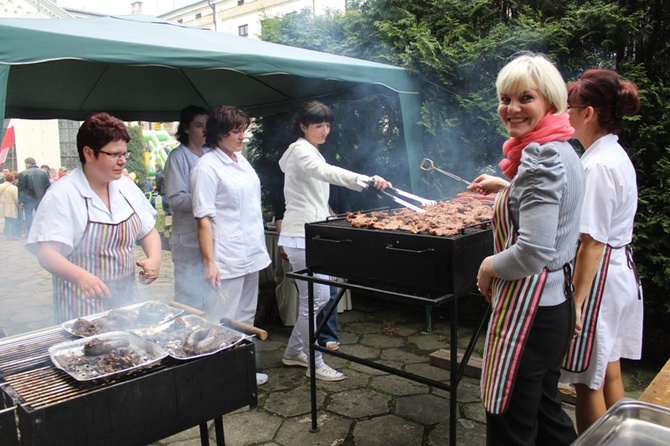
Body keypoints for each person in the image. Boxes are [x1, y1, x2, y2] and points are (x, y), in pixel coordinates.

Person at [467, 53, 583, 445]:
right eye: (505, 98)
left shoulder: (540, 155)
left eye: (525, 98)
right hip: (556, 307)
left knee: (512, 427)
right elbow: (555, 210)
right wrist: (507, 188)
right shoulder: (564, 148)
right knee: (547, 414)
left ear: (549, 101)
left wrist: (488, 265)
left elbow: (533, 252)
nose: (511, 108)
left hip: (531, 314)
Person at [278, 100, 391, 382]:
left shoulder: (311, 151)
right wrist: (365, 180)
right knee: (315, 299)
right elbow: (326, 173)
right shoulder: (301, 151)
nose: (325, 130)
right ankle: (314, 361)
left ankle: (294, 352)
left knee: (317, 298)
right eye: (318, 125)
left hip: (313, 233)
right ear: (303, 127)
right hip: (300, 235)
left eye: (327, 124)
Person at [560, 69, 643, 433]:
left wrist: (576, 303)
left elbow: (591, 242)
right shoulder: (612, 155)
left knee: (586, 380)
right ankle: (623, 440)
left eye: (570, 107)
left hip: (601, 280)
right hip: (620, 272)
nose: (566, 114)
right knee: (609, 371)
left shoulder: (596, 165)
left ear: (588, 113)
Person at [25, 112, 162, 324]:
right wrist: (81, 276)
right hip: (82, 307)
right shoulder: (63, 195)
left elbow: (149, 231)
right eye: (114, 155)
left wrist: (154, 259)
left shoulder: (125, 187)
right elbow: (47, 253)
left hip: (126, 303)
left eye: (124, 154)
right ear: (89, 153)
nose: (122, 161)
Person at [191, 105, 271, 386]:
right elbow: (203, 219)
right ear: (219, 133)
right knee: (221, 317)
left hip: (251, 251)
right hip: (226, 256)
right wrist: (209, 262)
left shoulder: (240, 160)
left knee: (246, 315)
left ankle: (241, 371)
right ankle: (216, 378)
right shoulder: (206, 167)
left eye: (243, 130)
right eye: (236, 131)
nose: (242, 137)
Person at [164, 105, 213, 311]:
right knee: (189, 296)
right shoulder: (178, 157)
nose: (204, 130)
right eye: (198, 125)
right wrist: (207, 200)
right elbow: (176, 199)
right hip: (187, 241)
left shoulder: (211, 154)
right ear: (186, 128)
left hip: (211, 238)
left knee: (210, 294)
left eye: (207, 126)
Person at [17, 156, 50, 232]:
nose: (25, 165)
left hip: (28, 199)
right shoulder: (43, 172)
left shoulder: (23, 173)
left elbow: (21, 189)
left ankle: (30, 231)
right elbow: (48, 186)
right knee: (41, 215)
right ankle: (41, 230)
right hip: (41, 198)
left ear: (29, 163)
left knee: (28, 216)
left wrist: (20, 201)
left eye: (26, 164)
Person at [0, 172, 21, 239]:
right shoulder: (14, 188)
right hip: (11, 206)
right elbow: (15, 198)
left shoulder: (0, 186)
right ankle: (12, 235)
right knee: (12, 221)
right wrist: (18, 206)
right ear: (13, 179)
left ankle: (7, 234)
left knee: (6, 220)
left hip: (2, 205)